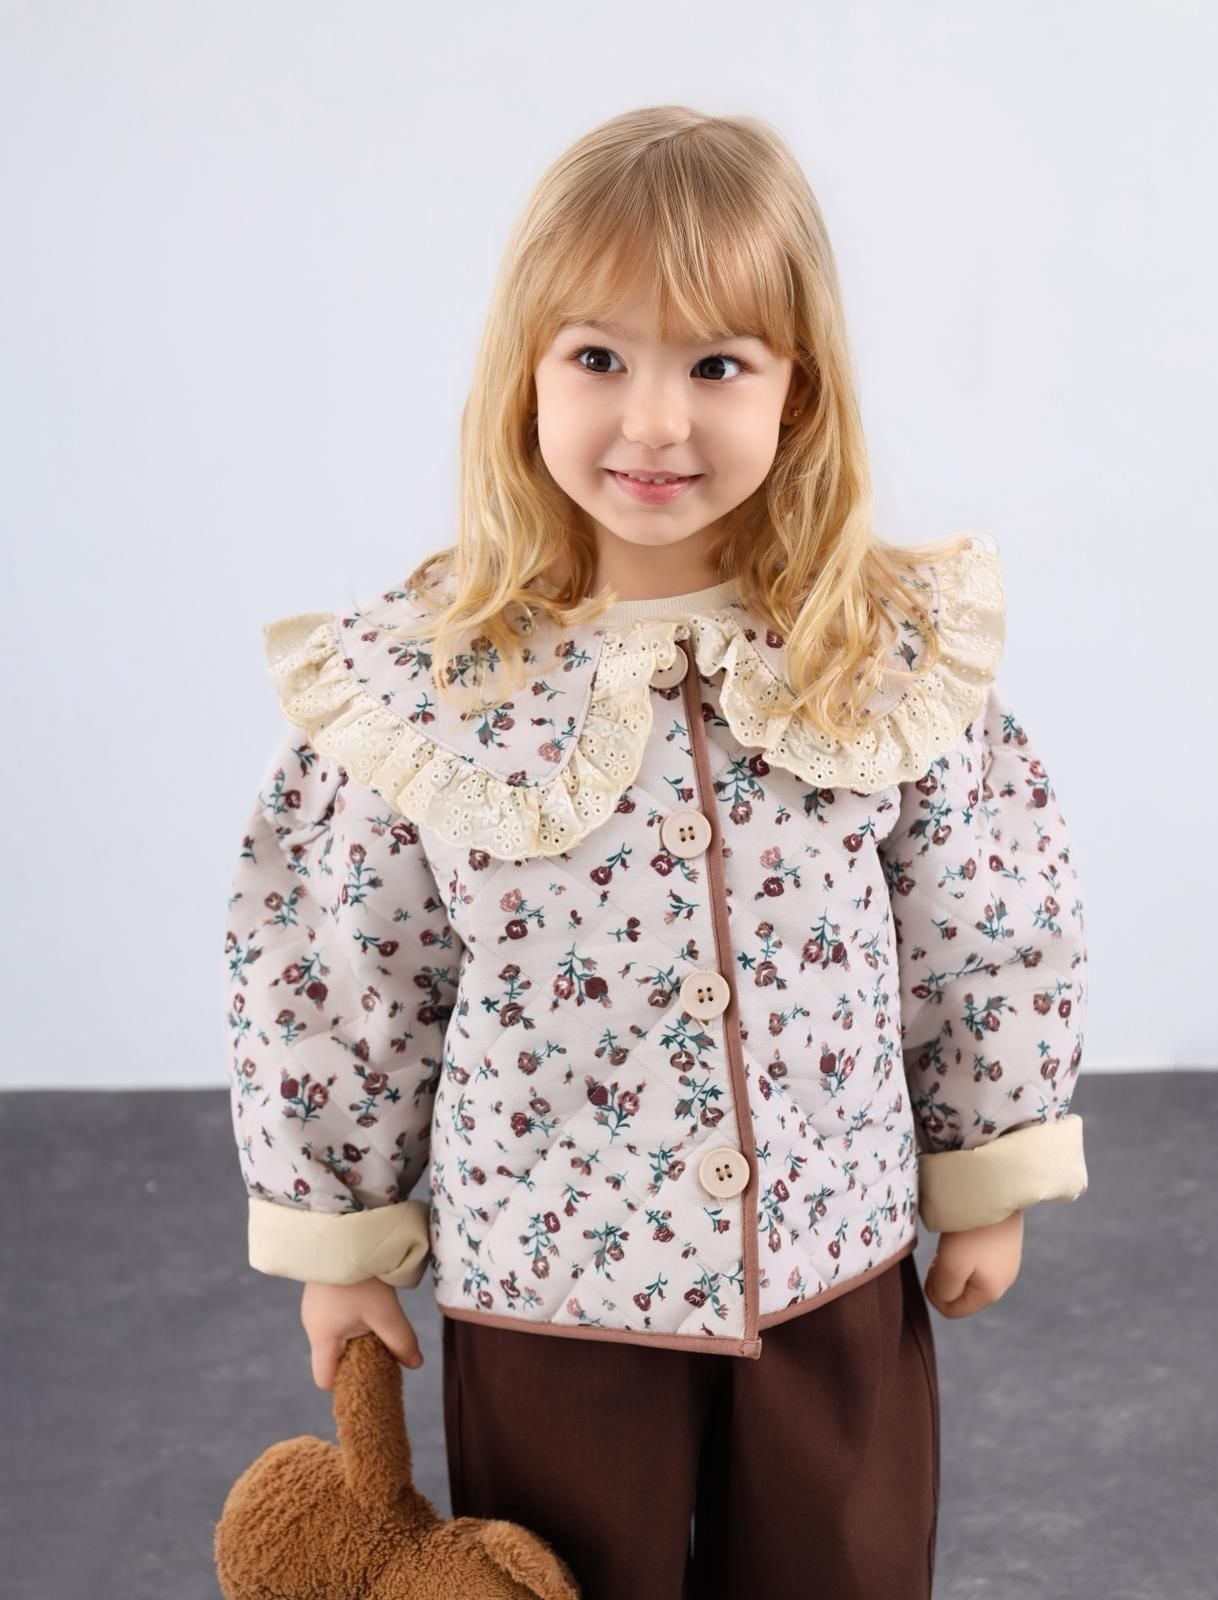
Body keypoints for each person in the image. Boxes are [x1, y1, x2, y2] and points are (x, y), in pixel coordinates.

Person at [223, 104, 1089, 1599]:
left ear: (798, 389)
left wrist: (988, 1162)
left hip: (828, 1257)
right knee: (570, 1578)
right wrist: (341, 1238)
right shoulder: (432, 685)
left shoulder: (872, 654)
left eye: (718, 365)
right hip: (548, 1288)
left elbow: (983, 917)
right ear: (526, 374)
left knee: (845, 1571)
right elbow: (346, 971)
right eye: (599, 358)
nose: (656, 422)